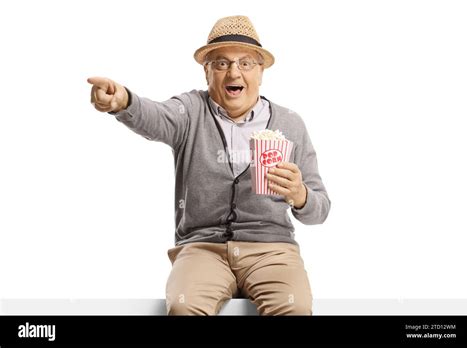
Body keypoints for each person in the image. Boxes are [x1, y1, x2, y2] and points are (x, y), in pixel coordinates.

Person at [87, 15, 330, 315]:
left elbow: (321, 207)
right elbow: (156, 117)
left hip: (273, 250)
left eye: (245, 63)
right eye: (221, 63)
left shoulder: (290, 124)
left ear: (261, 70)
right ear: (206, 71)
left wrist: (300, 195)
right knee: (183, 306)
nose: (233, 73)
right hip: (203, 249)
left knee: (294, 309)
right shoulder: (189, 112)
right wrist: (124, 102)